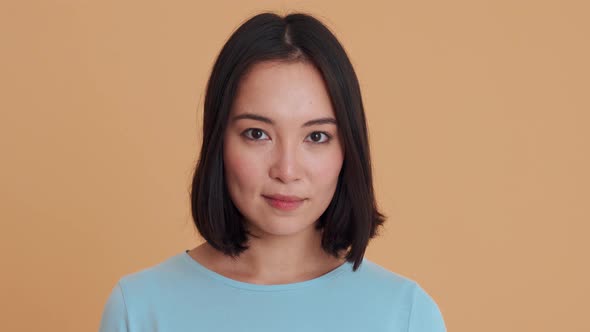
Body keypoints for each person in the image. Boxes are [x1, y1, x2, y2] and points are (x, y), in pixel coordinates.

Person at [99, 12, 446, 332]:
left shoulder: (405, 315)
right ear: (219, 140)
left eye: (316, 136)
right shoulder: (140, 309)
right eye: (257, 134)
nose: (287, 170)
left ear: (348, 149)